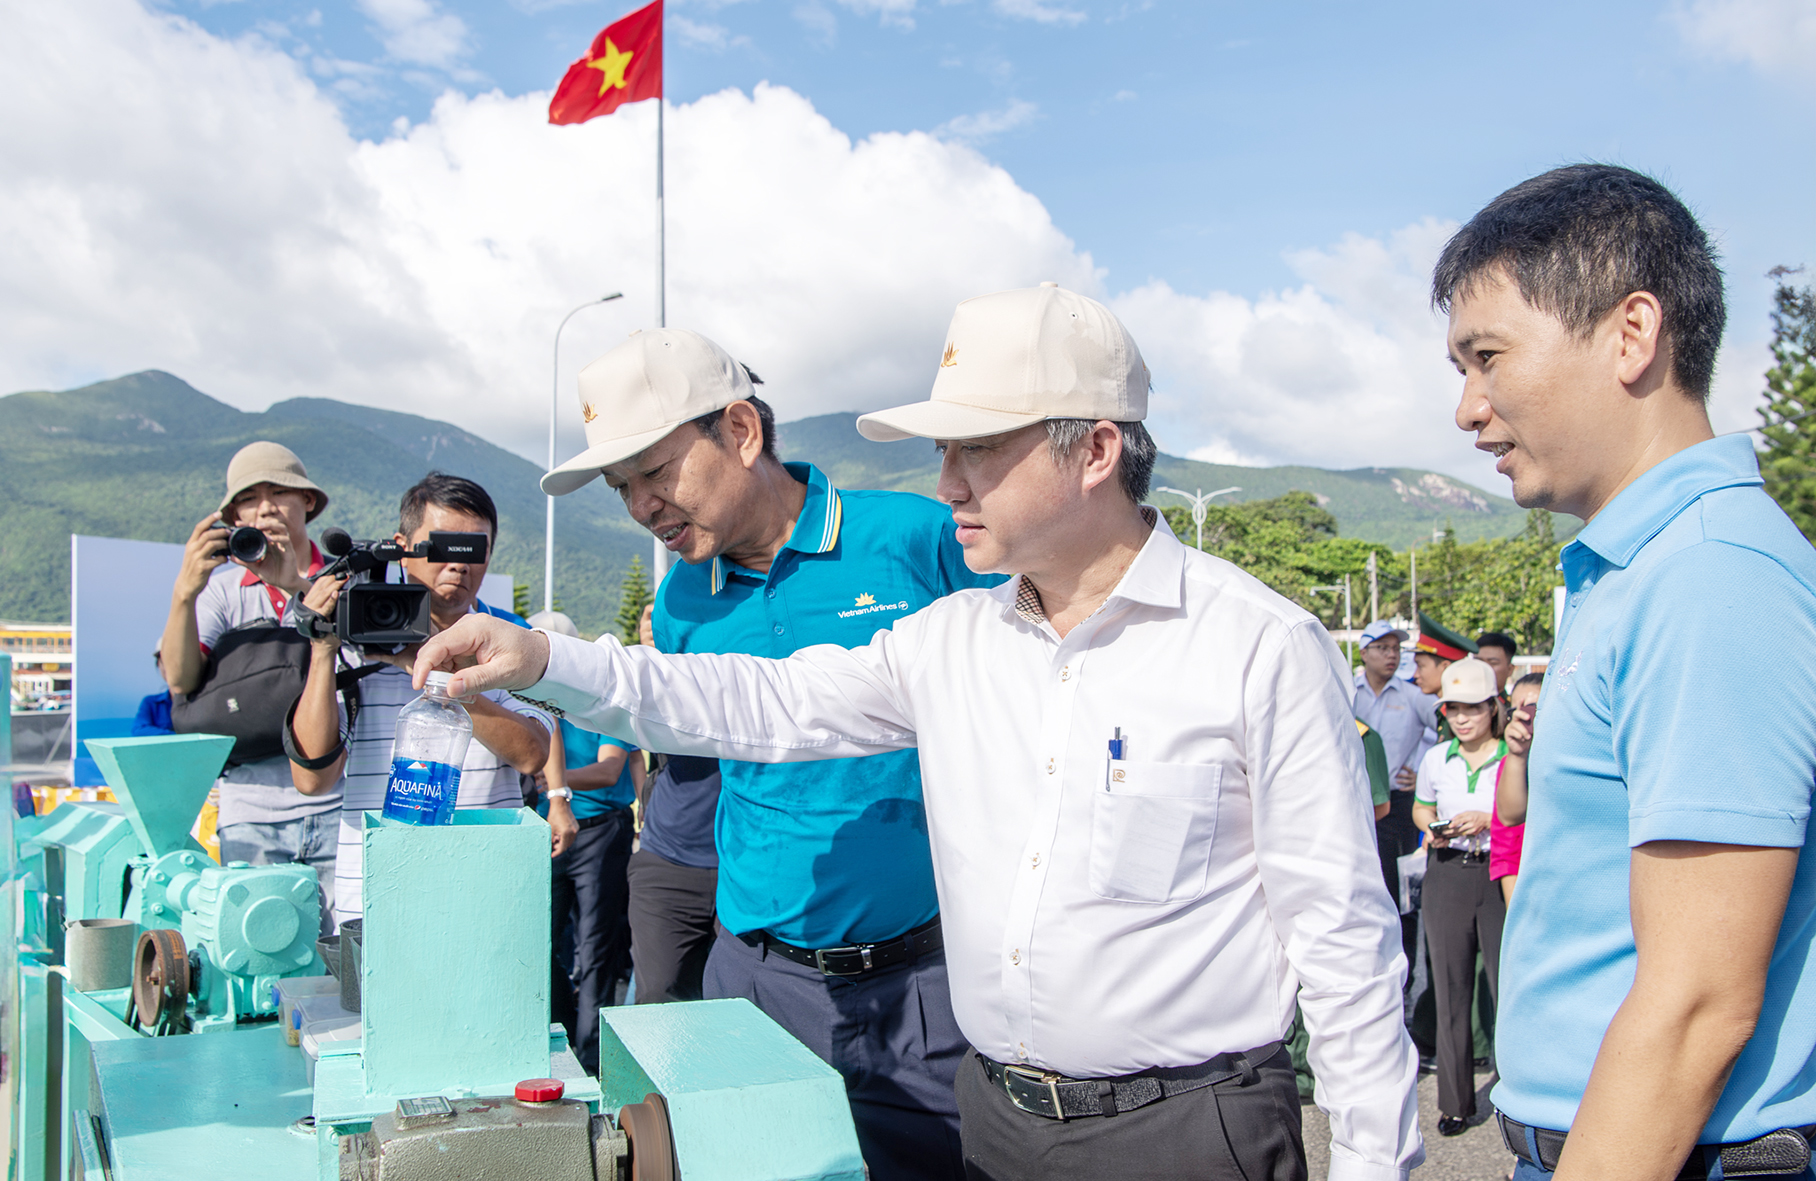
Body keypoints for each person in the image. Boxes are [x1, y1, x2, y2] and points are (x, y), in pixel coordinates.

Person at [419, 284, 1424, 1181]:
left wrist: (1375, 1158)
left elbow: (1339, 933)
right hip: (994, 1116)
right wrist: (544, 661)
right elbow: (755, 702)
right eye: (944, 452)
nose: (946, 483)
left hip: (1182, 1131)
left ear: (1098, 451)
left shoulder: (1256, 646)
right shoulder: (947, 644)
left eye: (977, 448)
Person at [538, 328, 1002, 1181]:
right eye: (621, 486)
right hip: (754, 982)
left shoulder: (916, 539)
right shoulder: (683, 601)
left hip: (922, 985)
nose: (642, 505)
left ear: (743, 432)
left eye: (656, 470)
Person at [1439, 163, 1816, 1180]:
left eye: (1487, 356)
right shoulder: (1643, 567)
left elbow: (1696, 1000)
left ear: (1631, 333)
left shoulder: (1706, 577)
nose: (1467, 408)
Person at [287, 473, 557, 926]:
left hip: (485, 888)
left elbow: (532, 754)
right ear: (402, 546)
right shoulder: (357, 638)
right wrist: (323, 645)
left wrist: (432, 670)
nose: (458, 564)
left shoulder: (515, 641)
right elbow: (312, 778)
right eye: (441, 547)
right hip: (375, 891)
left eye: (474, 550)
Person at [158, 442, 342, 917]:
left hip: (342, 802)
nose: (265, 507)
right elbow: (180, 679)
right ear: (233, 516)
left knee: (345, 960)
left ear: (308, 502)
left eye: (280, 491)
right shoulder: (220, 591)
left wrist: (295, 587)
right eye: (249, 498)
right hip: (249, 809)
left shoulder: (342, 581)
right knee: (261, 960)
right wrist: (184, 593)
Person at [530, 610, 640, 1072]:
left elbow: (610, 768)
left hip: (599, 834)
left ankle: (592, 1058)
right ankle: (556, 1037)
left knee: (596, 948)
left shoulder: (602, 699)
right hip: (545, 835)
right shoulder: (530, 702)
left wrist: (552, 782)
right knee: (538, 942)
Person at [1412, 656, 1507, 1138]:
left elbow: (1526, 810)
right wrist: (1434, 831)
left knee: (1505, 985)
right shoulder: (1435, 757)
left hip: (1498, 873)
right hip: (1447, 872)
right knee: (1450, 990)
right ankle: (1454, 1102)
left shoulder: (1511, 756)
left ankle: (1517, 1093)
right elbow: (1421, 808)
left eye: (1473, 707)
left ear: (1494, 707)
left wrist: (1488, 819)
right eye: (1453, 709)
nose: (1463, 717)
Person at [625, 605, 722, 1006]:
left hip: (746, 868)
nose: (653, 624)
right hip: (668, 863)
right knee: (657, 999)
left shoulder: (746, 668)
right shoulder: (652, 684)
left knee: (739, 1006)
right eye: (647, 616)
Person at [1354, 619, 1438, 966]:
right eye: (1383, 648)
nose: (1391, 656)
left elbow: (1451, 731)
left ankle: (1401, 973)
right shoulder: (1346, 690)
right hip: (1357, 803)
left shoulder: (1412, 695)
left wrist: (1424, 775)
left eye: (1396, 649)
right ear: (1364, 653)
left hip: (1399, 806)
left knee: (1400, 894)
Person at [1491, 672, 1543, 903]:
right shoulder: (1512, 763)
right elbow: (1507, 833)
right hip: (1534, 892)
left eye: (1532, 710)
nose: (1523, 718)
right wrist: (1517, 755)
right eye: (1515, 713)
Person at [1474, 632, 1518, 697]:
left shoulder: (1513, 706)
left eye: (1493, 663)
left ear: (1510, 669)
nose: (1484, 668)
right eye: (1478, 661)